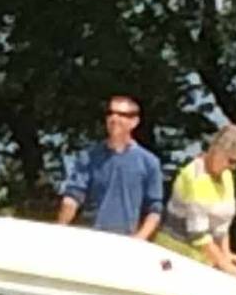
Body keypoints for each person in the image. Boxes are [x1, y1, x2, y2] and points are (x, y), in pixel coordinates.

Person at [55, 94, 164, 240]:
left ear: (134, 122)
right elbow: (73, 197)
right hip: (89, 238)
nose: (114, 118)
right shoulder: (89, 157)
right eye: (110, 113)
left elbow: (154, 209)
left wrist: (138, 240)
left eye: (121, 114)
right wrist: (59, 231)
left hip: (125, 242)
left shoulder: (149, 162)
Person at [163, 125, 236, 272]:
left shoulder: (226, 176)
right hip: (176, 258)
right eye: (231, 161)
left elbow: (222, 224)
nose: (233, 167)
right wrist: (226, 266)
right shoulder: (195, 176)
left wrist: (226, 254)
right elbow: (199, 235)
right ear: (216, 150)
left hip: (205, 260)